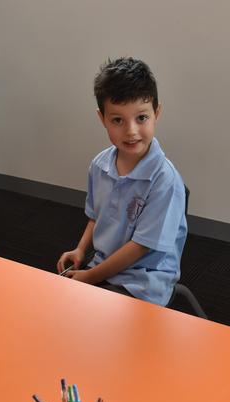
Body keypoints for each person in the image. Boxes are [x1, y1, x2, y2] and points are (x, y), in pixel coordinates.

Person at [57, 57, 187, 306]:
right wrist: (81, 250)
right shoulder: (99, 165)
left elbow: (140, 247)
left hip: (145, 282)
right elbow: (96, 216)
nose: (131, 131)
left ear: (156, 113)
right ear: (102, 118)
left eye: (141, 118)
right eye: (117, 120)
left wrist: (91, 277)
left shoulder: (165, 180)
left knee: (92, 320)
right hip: (104, 266)